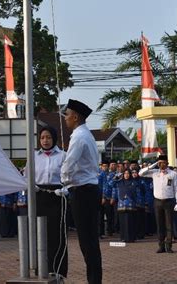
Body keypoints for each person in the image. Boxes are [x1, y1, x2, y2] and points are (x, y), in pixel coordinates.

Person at [60, 99, 102, 284]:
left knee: (87, 242)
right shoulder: (87, 135)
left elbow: (68, 166)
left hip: (83, 192)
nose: (65, 119)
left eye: (67, 115)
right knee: (91, 241)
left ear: (75, 117)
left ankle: (94, 281)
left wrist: (63, 182)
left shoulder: (78, 137)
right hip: (89, 190)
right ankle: (94, 280)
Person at [28, 126, 68, 278]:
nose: (45, 140)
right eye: (43, 137)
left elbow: (70, 177)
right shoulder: (34, 156)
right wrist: (31, 187)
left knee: (56, 234)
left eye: (49, 137)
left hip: (57, 196)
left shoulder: (63, 155)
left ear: (54, 138)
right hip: (39, 196)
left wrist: (66, 189)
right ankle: (40, 269)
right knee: (39, 233)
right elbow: (26, 177)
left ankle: (58, 271)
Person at [139, 155, 177, 253]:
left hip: (169, 201)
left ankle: (169, 245)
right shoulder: (154, 173)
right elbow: (140, 173)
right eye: (160, 163)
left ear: (167, 163)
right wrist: (152, 165)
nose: (162, 165)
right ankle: (161, 245)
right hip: (157, 201)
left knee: (169, 224)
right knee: (159, 224)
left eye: (164, 163)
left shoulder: (173, 174)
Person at [111, 169, 138, 242]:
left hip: (131, 205)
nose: (126, 175)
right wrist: (116, 176)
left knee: (131, 222)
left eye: (128, 173)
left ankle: (131, 238)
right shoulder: (119, 183)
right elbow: (111, 184)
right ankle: (123, 238)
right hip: (121, 206)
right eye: (125, 173)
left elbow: (136, 194)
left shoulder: (134, 183)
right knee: (123, 222)